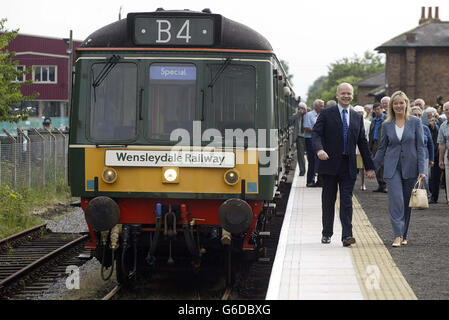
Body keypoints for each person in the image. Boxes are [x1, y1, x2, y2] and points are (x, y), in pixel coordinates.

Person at [312, 83, 375, 247]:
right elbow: (316, 134)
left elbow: (362, 143)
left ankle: (347, 235)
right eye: (343, 93)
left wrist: (369, 167)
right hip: (329, 164)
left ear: (352, 96)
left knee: (347, 201)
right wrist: (319, 149)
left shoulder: (357, 117)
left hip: (348, 166)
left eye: (349, 93)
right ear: (337, 95)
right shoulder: (326, 113)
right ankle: (327, 232)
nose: (346, 96)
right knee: (328, 200)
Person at [372, 91, 426, 247]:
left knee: (407, 203)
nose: (398, 105)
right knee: (396, 200)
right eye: (395, 103)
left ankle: (404, 234)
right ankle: (397, 235)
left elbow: (420, 147)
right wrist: (373, 167)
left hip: (411, 167)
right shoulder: (387, 124)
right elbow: (382, 148)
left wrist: (422, 169)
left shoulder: (415, 122)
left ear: (406, 104)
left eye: (401, 102)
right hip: (392, 167)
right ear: (391, 106)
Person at [410, 106, 434, 201]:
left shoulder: (425, 128)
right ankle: (416, 199)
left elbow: (430, 145)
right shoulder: (408, 127)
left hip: (424, 157)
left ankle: (426, 196)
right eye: (415, 115)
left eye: (419, 115)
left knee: (424, 178)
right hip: (411, 157)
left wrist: (431, 159)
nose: (417, 116)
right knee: (413, 179)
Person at [304, 99, 324, 187]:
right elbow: (306, 127)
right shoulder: (309, 115)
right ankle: (310, 181)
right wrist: (317, 131)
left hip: (319, 140)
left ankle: (319, 181)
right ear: (316, 106)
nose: (323, 108)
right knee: (312, 161)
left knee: (320, 160)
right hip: (310, 140)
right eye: (321, 106)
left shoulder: (322, 115)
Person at [369, 103, 387, 193]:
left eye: (378, 109)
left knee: (383, 165)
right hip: (375, 143)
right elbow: (371, 133)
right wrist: (370, 146)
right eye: (375, 109)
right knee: (376, 164)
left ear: (382, 109)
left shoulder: (387, 119)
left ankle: (385, 184)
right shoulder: (374, 120)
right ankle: (380, 184)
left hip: (383, 144)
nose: (376, 111)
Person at [354, 105, 371, 190]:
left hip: (362, 148)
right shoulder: (351, 121)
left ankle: (363, 184)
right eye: (357, 113)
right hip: (353, 148)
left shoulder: (368, 123)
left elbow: (367, 136)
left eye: (360, 113)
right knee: (352, 167)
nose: (359, 114)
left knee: (362, 168)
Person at [426, 108, 441, 203]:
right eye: (429, 116)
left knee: (435, 177)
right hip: (428, 154)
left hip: (437, 154)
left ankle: (434, 196)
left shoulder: (440, 124)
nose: (432, 118)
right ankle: (430, 195)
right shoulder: (424, 126)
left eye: (434, 116)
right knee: (429, 177)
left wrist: (434, 126)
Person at [289, 102, 307, 176]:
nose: (301, 110)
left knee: (311, 155)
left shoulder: (308, 115)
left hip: (308, 137)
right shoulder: (296, 116)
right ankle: (302, 171)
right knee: (300, 155)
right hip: (300, 137)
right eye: (300, 108)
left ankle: (313, 171)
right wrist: (297, 114)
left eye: (303, 109)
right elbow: (289, 121)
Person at [437, 101, 449, 204]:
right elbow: (442, 144)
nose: (448, 111)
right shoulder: (443, 126)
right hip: (447, 154)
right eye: (446, 109)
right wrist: (440, 159)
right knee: (448, 180)